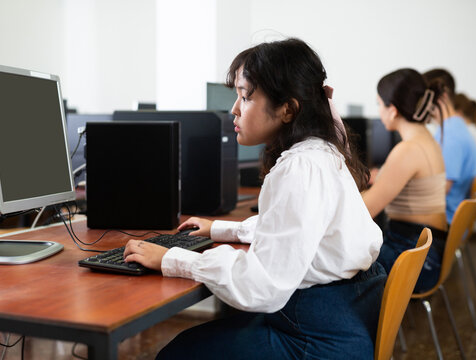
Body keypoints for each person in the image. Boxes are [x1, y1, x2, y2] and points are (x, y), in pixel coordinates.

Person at [123, 38, 385, 359]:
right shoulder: (321, 153)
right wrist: (220, 229)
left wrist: (172, 259)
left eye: (245, 97)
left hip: (317, 341)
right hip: (344, 316)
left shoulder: (299, 168)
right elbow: (291, 228)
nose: (234, 109)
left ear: (288, 109)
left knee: (177, 354)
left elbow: (263, 287)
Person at [362, 68, 447, 292]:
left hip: (414, 259)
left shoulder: (407, 150)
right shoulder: (426, 140)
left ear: (393, 110)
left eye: (379, 104)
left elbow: (365, 209)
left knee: (334, 265)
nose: (379, 111)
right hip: (426, 254)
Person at [423, 69, 476, 224]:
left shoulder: (449, 135)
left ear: (442, 96)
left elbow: (439, 193)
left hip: (443, 222)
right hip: (453, 218)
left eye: (425, 96)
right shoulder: (456, 127)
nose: (421, 104)